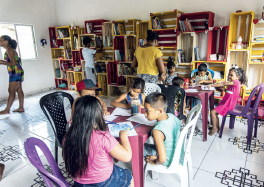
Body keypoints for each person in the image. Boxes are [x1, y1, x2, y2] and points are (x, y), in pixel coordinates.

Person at [63, 96, 133, 187]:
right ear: (97, 115)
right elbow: (127, 157)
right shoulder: (103, 137)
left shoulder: (67, 137)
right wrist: (123, 136)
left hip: (79, 183)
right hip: (103, 181)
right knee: (129, 177)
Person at [144, 92, 183, 167]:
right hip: (178, 154)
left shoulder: (157, 131)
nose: (145, 114)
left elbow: (162, 159)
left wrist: (155, 161)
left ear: (159, 111)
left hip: (168, 160)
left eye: (147, 110)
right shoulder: (172, 116)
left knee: (138, 148)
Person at [208, 67, 247, 136]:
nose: (229, 76)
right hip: (227, 103)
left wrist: (211, 85)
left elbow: (223, 84)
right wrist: (224, 90)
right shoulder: (232, 84)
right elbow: (230, 92)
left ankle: (214, 128)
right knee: (215, 113)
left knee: (212, 112)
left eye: (231, 75)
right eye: (229, 74)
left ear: (237, 77)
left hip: (228, 104)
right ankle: (217, 127)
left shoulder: (236, 82)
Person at [0, 35, 24, 115]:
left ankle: (7, 110)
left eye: (0, 40)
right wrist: (1, 61)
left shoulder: (9, 50)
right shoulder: (9, 49)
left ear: (6, 41)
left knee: (11, 91)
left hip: (15, 72)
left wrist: (1, 63)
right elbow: (9, 60)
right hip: (18, 71)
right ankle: (21, 107)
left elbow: (13, 63)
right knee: (19, 90)